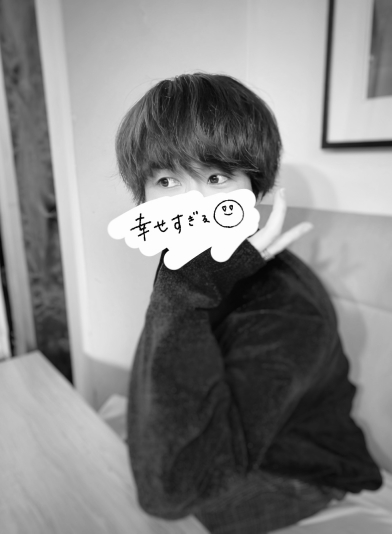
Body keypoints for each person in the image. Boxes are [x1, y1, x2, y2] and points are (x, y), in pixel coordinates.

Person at [115, 73, 382, 534]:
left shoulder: (284, 307)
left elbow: (172, 489)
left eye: (216, 178)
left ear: (255, 191)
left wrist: (182, 294)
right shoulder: (195, 268)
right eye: (167, 180)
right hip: (225, 446)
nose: (192, 205)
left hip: (298, 471)